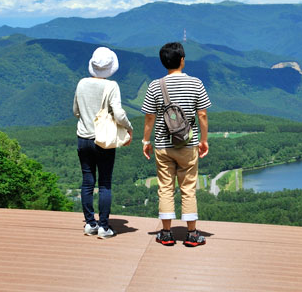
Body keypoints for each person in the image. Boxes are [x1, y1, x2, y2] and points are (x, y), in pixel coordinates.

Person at [141, 42, 211, 247]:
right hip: (188, 145)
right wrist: (204, 140)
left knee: (165, 188)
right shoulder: (196, 83)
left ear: (164, 63)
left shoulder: (155, 85)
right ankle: (191, 234)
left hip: (163, 145)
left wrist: (146, 141)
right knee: (188, 188)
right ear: (182, 60)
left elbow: (149, 118)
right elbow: (203, 115)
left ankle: (166, 233)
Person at [73, 47, 132, 239]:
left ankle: (90, 223)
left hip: (83, 138)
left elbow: (75, 111)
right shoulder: (111, 86)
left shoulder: (81, 83)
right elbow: (119, 113)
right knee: (105, 183)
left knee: (87, 181)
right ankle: (104, 227)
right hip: (103, 140)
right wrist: (129, 128)